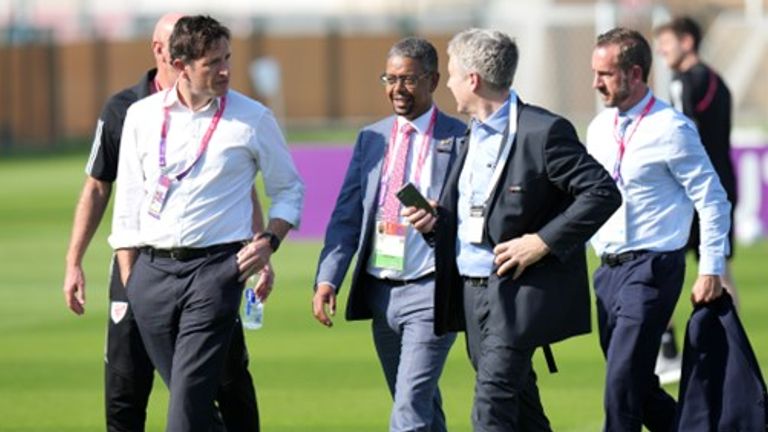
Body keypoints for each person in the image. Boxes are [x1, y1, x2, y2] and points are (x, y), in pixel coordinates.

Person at [62, 12, 270, 432]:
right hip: (138, 266)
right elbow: (98, 187)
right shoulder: (126, 110)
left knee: (227, 382)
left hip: (209, 268)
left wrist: (260, 250)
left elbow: (242, 188)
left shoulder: (227, 108)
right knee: (125, 384)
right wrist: (75, 260)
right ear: (163, 51)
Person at [407, 28, 621, 431]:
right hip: (469, 292)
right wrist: (437, 221)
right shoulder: (469, 134)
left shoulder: (543, 131)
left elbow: (602, 193)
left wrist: (541, 242)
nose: (447, 82)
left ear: (472, 79)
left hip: (515, 293)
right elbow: (481, 214)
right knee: (522, 410)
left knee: (491, 411)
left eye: (451, 73)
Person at [109, 15, 303, 432]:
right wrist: (132, 279)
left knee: (183, 416)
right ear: (181, 65)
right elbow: (126, 203)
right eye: (212, 62)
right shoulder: (141, 117)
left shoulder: (253, 118)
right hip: (151, 276)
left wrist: (270, 240)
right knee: (194, 410)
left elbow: (290, 190)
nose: (225, 70)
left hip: (215, 274)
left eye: (227, 58)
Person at [312, 37, 463, 432]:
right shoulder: (372, 138)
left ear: (433, 80)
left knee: (408, 413)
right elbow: (346, 215)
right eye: (390, 78)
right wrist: (329, 277)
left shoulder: (461, 137)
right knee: (419, 404)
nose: (397, 89)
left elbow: (479, 213)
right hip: (382, 291)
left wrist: (441, 217)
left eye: (409, 80)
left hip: (432, 291)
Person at [586, 27, 731, 431]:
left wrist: (711, 268)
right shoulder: (599, 128)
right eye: (595, 72)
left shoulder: (673, 128)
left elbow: (712, 198)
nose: (596, 83)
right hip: (607, 271)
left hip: (652, 268)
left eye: (606, 74)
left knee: (619, 387)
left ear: (635, 74)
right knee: (637, 387)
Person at [654, 16, 738, 384]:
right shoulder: (716, 79)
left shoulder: (684, 82)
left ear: (687, 41)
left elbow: (683, 134)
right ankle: (732, 344)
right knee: (718, 265)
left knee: (661, 259)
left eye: (666, 42)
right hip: (722, 182)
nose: (661, 50)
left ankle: (666, 347)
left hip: (693, 189)